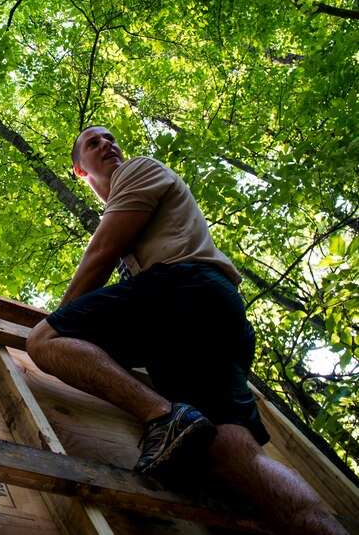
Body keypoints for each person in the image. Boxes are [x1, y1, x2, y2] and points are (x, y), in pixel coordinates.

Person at [26, 125, 347, 534]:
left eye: (110, 138)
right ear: (79, 170)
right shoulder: (134, 202)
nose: (108, 144)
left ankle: (164, 416)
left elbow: (103, 250)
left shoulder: (138, 169)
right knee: (232, 451)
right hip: (202, 321)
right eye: (94, 143)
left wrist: (59, 319)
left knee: (44, 339)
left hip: (185, 289)